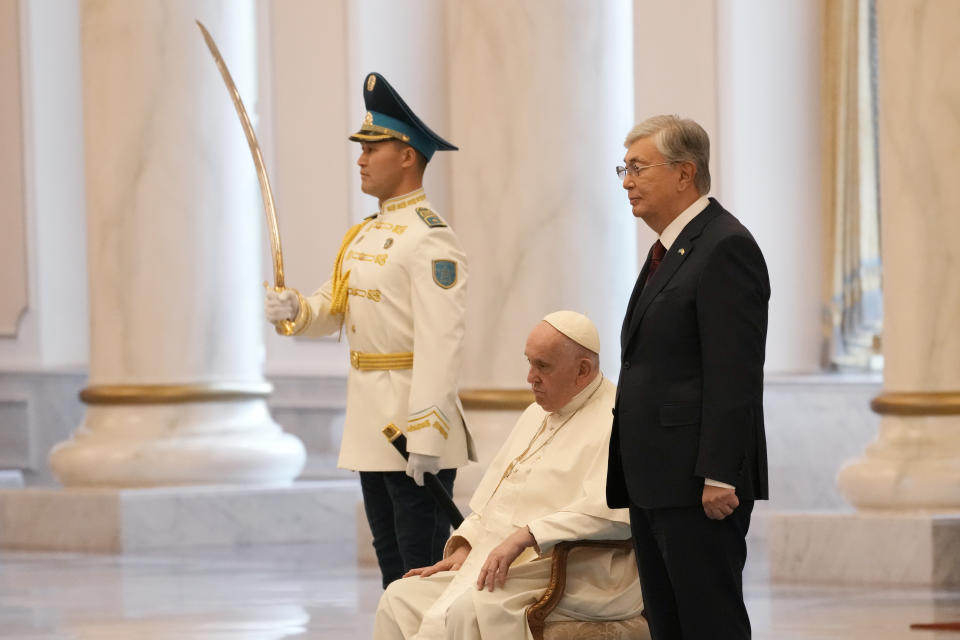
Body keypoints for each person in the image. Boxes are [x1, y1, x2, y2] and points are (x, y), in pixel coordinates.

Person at [265, 72, 476, 588]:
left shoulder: (430, 240)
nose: (360, 159)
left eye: (372, 147)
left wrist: (428, 433)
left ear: (407, 155)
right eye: (361, 148)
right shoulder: (365, 234)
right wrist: (295, 309)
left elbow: (440, 344)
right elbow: (335, 308)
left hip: (411, 432)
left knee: (422, 569)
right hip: (371, 422)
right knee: (391, 565)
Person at [374, 311, 644, 640]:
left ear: (583, 370)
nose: (530, 377)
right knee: (399, 598)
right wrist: (466, 547)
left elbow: (613, 513)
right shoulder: (535, 412)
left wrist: (525, 536)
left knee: (468, 611)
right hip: (505, 560)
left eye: (543, 366)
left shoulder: (617, 418)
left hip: (572, 568)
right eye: (529, 363)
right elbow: (499, 499)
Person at [606, 115, 770, 640]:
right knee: (668, 624)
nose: (627, 181)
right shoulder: (669, 251)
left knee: (709, 623)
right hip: (657, 478)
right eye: (623, 169)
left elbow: (734, 371)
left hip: (699, 482)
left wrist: (722, 472)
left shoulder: (724, 247)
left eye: (637, 168)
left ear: (684, 173)